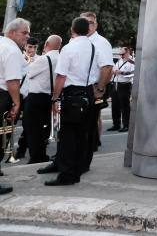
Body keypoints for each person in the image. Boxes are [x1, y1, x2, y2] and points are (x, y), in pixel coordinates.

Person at [46, 17, 112, 186]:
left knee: (68, 136)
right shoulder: (93, 47)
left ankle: (66, 175)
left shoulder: (68, 48)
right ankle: (77, 172)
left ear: (72, 29)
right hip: (88, 92)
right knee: (82, 135)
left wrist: (55, 98)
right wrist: (98, 90)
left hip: (72, 94)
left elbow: (61, 76)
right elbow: (103, 67)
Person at [0, 17, 30, 194]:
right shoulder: (11, 50)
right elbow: (12, 80)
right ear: (11, 32)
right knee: (2, 136)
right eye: (24, 33)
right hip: (4, 97)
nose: (27, 36)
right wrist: (17, 102)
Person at [23, 35, 61, 164]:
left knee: (32, 129)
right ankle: (42, 154)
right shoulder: (60, 58)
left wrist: (28, 60)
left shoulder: (44, 59)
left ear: (46, 44)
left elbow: (28, 72)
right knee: (43, 128)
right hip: (49, 97)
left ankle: (36, 156)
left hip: (36, 97)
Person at [81, 12, 113, 158]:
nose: (88, 26)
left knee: (92, 120)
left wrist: (100, 88)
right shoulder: (78, 40)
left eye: (91, 23)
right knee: (84, 121)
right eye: (84, 22)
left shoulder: (101, 42)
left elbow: (107, 67)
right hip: (80, 87)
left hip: (94, 87)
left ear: (96, 25)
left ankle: (89, 150)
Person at [109, 47, 135, 132]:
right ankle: (116, 124)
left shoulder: (132, 61)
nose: (121, 56)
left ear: (128, 52)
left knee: (125, 106)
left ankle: (126, 125)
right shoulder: (119, 61)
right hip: (116, 83)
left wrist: (122, 72)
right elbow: (114, 69)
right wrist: (114, 71)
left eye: (122, 54)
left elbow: (133, 73)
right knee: (115, 105)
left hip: (124, 84)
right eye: (120, 54)